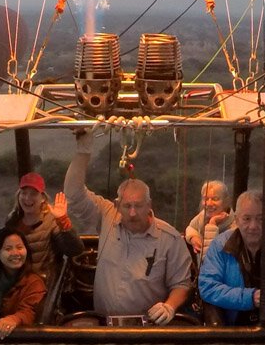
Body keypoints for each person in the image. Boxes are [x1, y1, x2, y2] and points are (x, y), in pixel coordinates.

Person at [64, 131, 192, 323]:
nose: (132, 213)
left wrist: (169, 306)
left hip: (148, 329)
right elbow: (74, 195)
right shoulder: (107, 215)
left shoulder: (170, 238)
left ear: (149, 205)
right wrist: (83, 150)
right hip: (103, 326)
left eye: (138, 206)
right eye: (127, 206)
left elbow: (182, 284)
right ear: (117, 205)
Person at [198, 190, 265, 335]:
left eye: (261, 219)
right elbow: (207, 286)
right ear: (237, 219)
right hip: (231, 329)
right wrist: (250, 297)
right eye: (247, 218)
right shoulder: (220, 244)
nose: (253, 226)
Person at [3, 172, 83, 284]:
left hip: (44, 284)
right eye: (24, 193)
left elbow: (75, 250)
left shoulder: (51, 221)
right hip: (17, 283)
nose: (27, 198)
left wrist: (63, 221)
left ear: (42, 198)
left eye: (33, 194)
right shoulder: (12, 221)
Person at [185, 180, 235, 259]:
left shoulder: (234, 227)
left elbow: (210, 257)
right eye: (206, 199)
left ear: (226, 201)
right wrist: (193, 237)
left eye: (215, 199)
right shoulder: (202, 215)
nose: (209, 203)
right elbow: (191, 228)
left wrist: (212, 224)